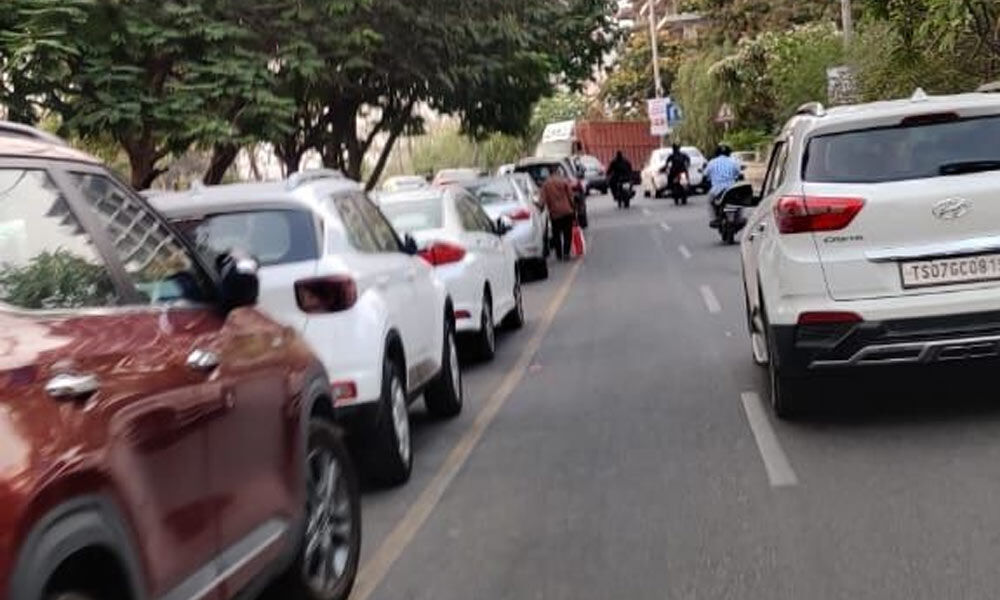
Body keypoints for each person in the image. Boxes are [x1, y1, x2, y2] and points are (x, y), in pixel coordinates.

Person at [539, 170, 577, 261]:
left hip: (555, 214)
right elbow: (571, 196)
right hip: (567, 211)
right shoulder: (564, 181)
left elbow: (542, 201)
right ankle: (566, 253)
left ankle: (559, 254)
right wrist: (574, 207)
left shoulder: (545, 185)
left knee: (556, 234)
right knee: (567, 233)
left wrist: (539, 209)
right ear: (557, 173)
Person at [704, 144, 743, 225]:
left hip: (716, 190)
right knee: (740, 202)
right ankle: (739, 219)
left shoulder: (712, 162)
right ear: (729, 153)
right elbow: (739, 174)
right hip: (731, 189)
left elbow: (705, 174)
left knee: (709, 201)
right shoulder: (733, 161)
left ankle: (714, 219)